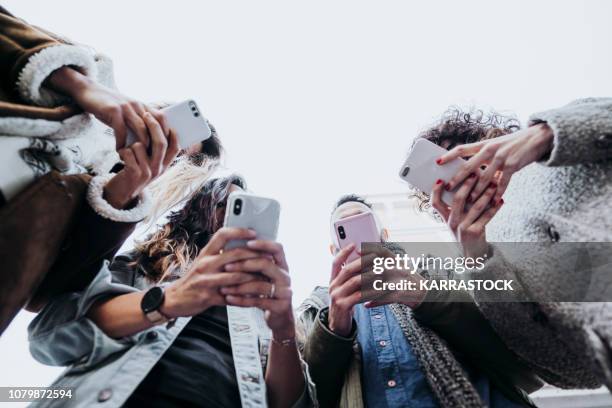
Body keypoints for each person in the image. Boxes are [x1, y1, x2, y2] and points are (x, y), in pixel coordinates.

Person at [0, 6, 220, 333]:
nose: (162, 149)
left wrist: (122, 193)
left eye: (175, 158)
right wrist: (79, 86)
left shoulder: (113, 211)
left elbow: (44, 299)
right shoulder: (94, 71)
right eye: (167, 131)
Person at [27, 175, 315, 408]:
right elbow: (49, 337)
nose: (231, 217)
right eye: (223, 204)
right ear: (200, 211)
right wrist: (168, 300)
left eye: (240, 208)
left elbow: (288, 403)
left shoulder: (263, 301)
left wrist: (284, 333)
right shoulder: (144, 262)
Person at [411, 104, 612, 390]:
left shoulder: (555, 147)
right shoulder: (485, 262)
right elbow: (575, 373)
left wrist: (549, 133)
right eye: (442, 180)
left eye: (462, 154)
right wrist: (478, 258)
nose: (461, 174)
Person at [298, 195, 541, 408]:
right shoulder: (317, 309)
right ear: (334, 249)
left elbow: (506, 349)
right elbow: (313, 395)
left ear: (384, 235)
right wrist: (335, 329)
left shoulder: (434, 271)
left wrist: (424, 295)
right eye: (344, 229)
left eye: (363, 222)